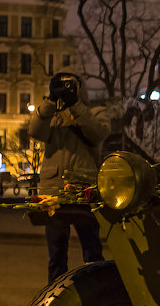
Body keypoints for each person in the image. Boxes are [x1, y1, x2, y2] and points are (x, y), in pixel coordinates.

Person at [28, 72, 111, 281]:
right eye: (61, 84)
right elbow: (35, 130)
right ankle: (55, 297)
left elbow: (97, 133)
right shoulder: (52, 117)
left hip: (84, 189)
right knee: (56, 253)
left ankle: (96, 290)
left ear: (80, 87)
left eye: (70, 85)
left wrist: (75, 105)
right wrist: (49, 100)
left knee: (92, 251)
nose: (65, 88)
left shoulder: (95, 113)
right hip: (54, 191)